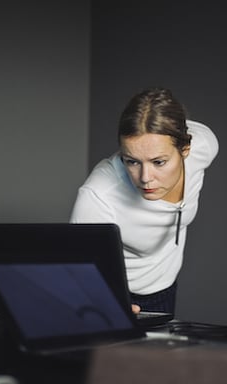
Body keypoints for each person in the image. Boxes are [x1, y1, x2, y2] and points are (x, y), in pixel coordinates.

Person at [70, 87, 219, 315]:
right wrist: (105, 304)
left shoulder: (204, 145)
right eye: (132, 161)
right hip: (117, 295)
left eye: (158, 162)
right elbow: (77, 274)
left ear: (186, 149)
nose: (145, 178)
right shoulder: (98, 195)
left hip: (166, 288)